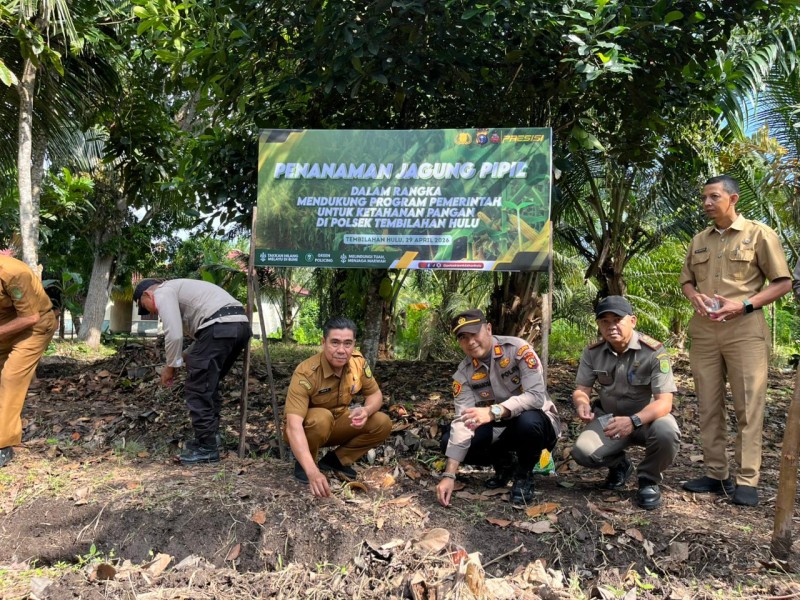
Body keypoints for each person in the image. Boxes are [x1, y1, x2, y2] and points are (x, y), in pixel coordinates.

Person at [680, 175, 791, 507]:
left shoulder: (759, 234)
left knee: (748, 405)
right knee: (708, 404)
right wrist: (694, 296)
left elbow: (782, 282)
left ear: (733, 199)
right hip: (704, 331)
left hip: (745, 329)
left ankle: (747, 479)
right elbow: (686, 281)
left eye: (714, 197)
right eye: (704, 198)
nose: (707, 204)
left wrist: (743, 304)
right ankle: (716, 474)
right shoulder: (699, 239)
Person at [436, 309, 561, 508]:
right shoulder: (463, 374)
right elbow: (463, 421)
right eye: (463, 337)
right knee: (448, 441)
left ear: (488, 328)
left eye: (474, 333)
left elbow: (536, 397)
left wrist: (494, 411)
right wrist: (450, 474)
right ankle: (505, 464)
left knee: (528, 421)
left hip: (537, 424)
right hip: (500, 428)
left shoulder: (518, 349)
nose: (470, 342)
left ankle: (524, 474)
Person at [571, 296, 680, 510]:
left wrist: (633, 421)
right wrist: (581, 403)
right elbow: (581, 389)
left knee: (667, 432)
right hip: (609, 420)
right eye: (604, 321)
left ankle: (648, 480)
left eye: (617, 320)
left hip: (646, 419)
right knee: (582, 452)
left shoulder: (653, 352)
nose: (611, 326)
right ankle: (620, 465)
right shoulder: (593, 352)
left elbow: (665, 402)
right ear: (599, 324)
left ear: (632, 321)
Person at [133, 278, 251, 465]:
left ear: (148, 294)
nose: (151, 312)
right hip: (238, 326)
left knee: (198, 389)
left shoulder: (163, 291)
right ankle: (210, 438)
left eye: (145, 307)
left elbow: (174, 334)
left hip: (220, 327)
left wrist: (170, 367)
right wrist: (186, 356)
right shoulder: (183, 292)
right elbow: (202, 337)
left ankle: (207, 449)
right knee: (208, 385)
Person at [284, 317, 391, 498]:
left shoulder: (358, 363)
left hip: (337, 423)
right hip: (308, 429)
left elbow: (375, 395)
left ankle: (335, 460)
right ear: (323, 342)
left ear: (354, 344)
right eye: (335, 343)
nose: (341, 350)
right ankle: (304, 464)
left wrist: (366, 410)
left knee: (382, 422)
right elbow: (293, 425)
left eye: (347, 343)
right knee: (321, 418)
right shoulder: (307, 372)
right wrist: (312, 472)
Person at [0, 255, 57, 467]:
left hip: (35, 326)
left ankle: (4, 444)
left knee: (11, 377)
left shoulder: (14, 273)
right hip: (6, 326)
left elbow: (30, 318)